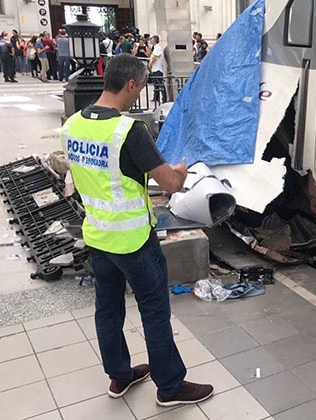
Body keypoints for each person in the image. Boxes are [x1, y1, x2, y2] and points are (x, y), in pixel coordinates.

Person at [59, 54, 214, 406]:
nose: (139, 92)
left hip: (97, 236)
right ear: (131, 84)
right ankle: (170, 387)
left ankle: (119, 375)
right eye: (141, 86)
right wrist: (183, 168)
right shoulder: (129, 131)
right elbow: (171, 183)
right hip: (133, 242)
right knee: (154, 309)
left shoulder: (72, 126)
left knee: (108, 308)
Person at [149, 35, 167, 103]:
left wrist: (150, 64)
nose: (150, 41)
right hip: (154, 68)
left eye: (151, 39)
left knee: (160, 84)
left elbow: (155, 57)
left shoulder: (157, 48)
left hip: (157, 68)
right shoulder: (155, 48)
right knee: (156, 84)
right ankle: (156, 97)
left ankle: (164, 98)